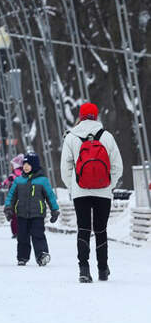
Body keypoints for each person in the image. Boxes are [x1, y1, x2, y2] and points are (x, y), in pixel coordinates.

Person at [60, 102, 122, 283]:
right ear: (96, 116)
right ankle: (103, 269)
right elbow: (118, 166)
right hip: (103, 191)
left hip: (81, 192)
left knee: (84, 229)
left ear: (80, 116)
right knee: (101, 230)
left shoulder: (71, 137)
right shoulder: (107, 136)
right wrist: (109, 185)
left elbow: (66, 168)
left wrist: (73, 187)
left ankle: (84, 270)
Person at [4, 153, 60, 266]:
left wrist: (54, 210)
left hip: (37, 214)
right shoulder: (18, 181)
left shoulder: (42, 180)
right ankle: (22, 257)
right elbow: (11, 196)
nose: (25, 166)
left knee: (38, 235)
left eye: (28, 164)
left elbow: (50, 196)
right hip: (22, 214)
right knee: (22, 236)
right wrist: (8, 208)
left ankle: (42, 255)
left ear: (34, 165)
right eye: (24, 164)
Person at [0, 153, 25, 238]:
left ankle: (16, 232)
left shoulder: (12, 176)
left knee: (14, 217)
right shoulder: (25, 174)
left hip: (14, 199)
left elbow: (4, 183)